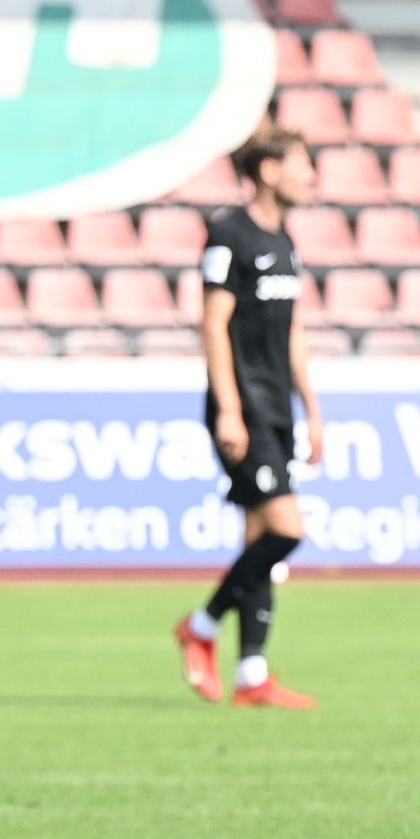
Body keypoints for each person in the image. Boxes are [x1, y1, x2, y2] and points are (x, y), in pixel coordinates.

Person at [174, 126, 321, 709]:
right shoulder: (229, 233)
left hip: (278, 407)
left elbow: (294, 332)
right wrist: (230, 410)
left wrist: (312, 410)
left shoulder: (284, 241)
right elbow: (212, 323)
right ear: (268, 170)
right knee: (287, 530)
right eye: (301, 163)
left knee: (260, 538)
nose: (311, 176)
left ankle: (251, 673)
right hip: (244, 406)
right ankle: (201, 626)